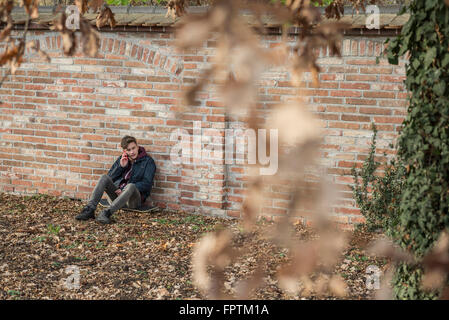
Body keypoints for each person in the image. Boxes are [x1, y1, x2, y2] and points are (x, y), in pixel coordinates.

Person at [75, 135, 156, 224]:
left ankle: (106, 213)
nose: (132, 152)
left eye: (133, 148)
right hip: (116, 197)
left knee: (131, 186)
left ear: (137, 146)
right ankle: (89, 210)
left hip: (133, 201)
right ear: (125, 151)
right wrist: (121, 167)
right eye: (129, 150)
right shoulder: (122, 159)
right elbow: (109, 178)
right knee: (104, 177)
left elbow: (147, 184)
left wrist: (123, 190)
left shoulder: (148, 161)